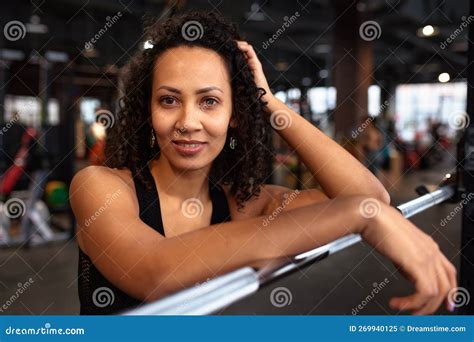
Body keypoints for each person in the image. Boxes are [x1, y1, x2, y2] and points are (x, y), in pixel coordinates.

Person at [70, 11, 457, 315]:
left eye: (210, 101)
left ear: (235, 112)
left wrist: (268, 103)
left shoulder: (245, 206)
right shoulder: (101, 188)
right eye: (169, 100)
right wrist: (364, 216)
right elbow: (156, 272)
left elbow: (368, 196)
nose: (188, 122)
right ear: (147, 111)